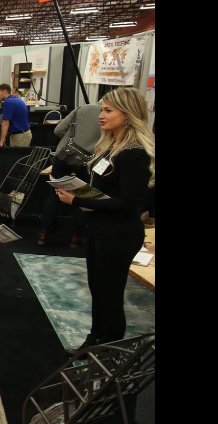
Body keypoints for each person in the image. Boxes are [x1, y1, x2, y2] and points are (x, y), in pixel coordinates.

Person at [54, 88, 154, 350]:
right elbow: (107, 191)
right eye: (102, 109)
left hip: (119, 234)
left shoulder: (134, 153)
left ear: (128, 114)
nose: (101, 115)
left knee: (110, 296)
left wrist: (77, 200)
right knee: (98, 291)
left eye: (108, 110)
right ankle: (94, 341)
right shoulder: (111, 147)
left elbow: (128, 203)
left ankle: (109, 351)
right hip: (100, 229)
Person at [40, 103, 101, 246]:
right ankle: (77, 237)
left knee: (55, 194)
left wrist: (70, 140)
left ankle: (43, 233)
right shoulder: (114, 116)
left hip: (65, 155)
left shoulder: (82, 108)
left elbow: (58, 130)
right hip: (89, 160)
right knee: (84, 197)